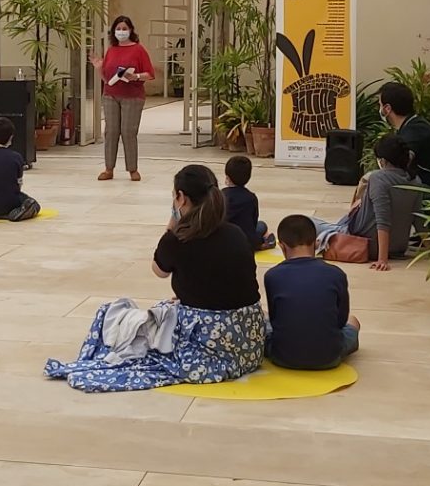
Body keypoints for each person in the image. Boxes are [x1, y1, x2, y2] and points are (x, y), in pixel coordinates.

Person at [45, 164, 266, 392]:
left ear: (181, 198)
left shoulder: (178, 239)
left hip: (207, 342)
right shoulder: (235, 233)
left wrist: (173, 222)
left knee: (115, 315)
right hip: (247, 342)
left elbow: (159, 270)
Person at [264, 214, 361, 370]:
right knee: (353, 321)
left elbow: (275, 320)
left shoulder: (272, 275)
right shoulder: (336, 274)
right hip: (329, 357)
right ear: (316, 243)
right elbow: (341, 320)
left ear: (282, 246)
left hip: (282, 357)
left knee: (264, 318)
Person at [313, 133, 423, 269]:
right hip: (398, 247)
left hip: (366, 243)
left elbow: (383, 220)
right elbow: (419, 219)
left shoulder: (378, 178)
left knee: (307, 222)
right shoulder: (415, 180)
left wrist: (382, 259)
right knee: (342, 220)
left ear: (383, 161)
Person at [98, 15, 155, 182]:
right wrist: (99, 67)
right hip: (111, 94)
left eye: (124, 29)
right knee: (111, 131)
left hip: (132, 96)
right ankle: (109, 168)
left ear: (130, 30)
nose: (121, 32)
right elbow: (106, 76)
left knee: (128, 132)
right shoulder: (111, 50)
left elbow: (150, 74)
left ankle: (132, 169)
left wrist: (135, 76)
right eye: (118, 29)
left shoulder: (138, 50)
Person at [379, 81, 430, 190]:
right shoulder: (414, 125)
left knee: (377, 180)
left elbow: (395, 167)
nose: (379, 109)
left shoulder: (414, 131)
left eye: (379, 105)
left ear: (387, 108)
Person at [0, 117, 41, 221]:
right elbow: (18, 184)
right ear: (11, 137)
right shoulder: (16, 157)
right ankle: (14, 213)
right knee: (33, 203)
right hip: (9, 204)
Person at [222, 155, 273, 249]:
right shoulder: (251, 197)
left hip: (224, 239)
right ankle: (264, 242)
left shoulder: (221, 195)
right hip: (246, 240)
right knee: (262, 225)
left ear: (227, 177)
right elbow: (254, 221)